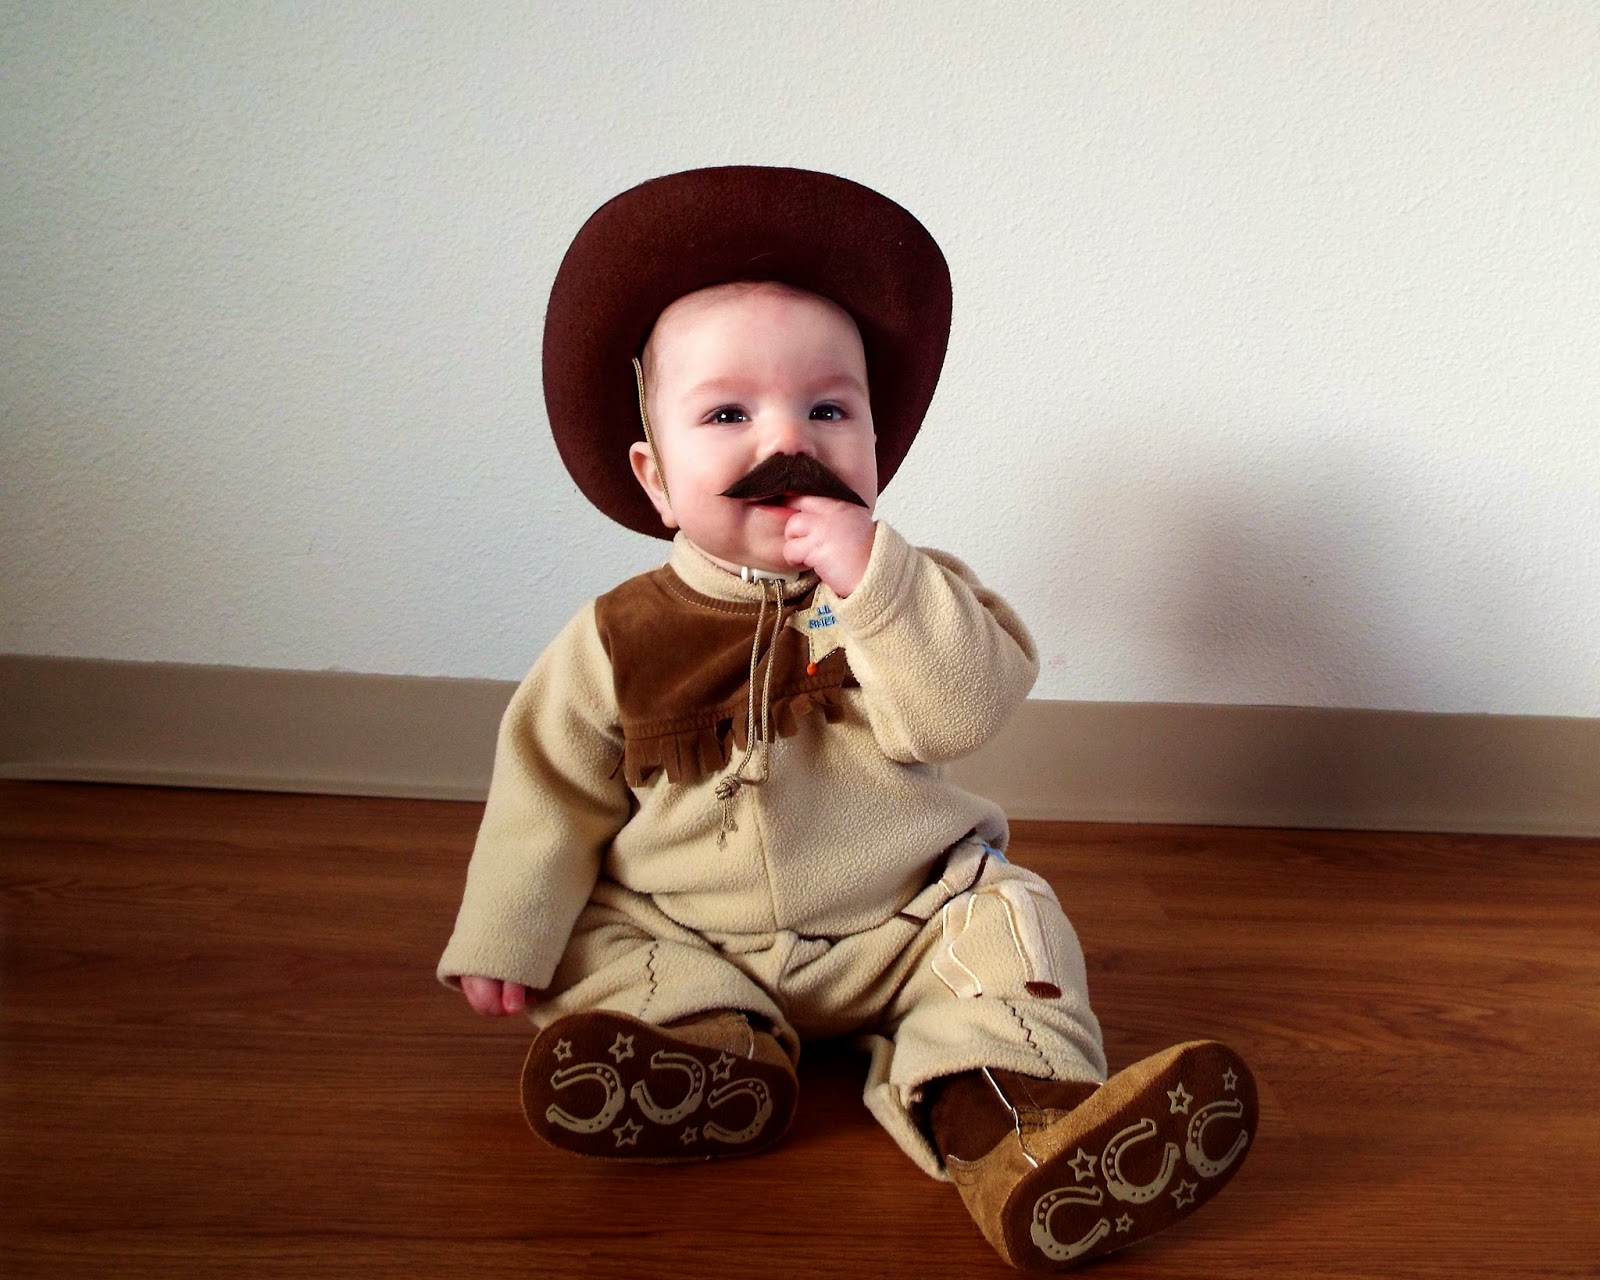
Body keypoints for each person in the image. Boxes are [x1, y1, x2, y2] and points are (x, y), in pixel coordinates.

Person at [438, 165, 1256, 1271]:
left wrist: (875, 583)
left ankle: (1019, 1123)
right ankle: (705, 1058)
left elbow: (955, 717)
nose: (791, 440)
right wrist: (505, 934)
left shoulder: (912, 590)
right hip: (689, 926)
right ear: (655, 477)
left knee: (1009, 922)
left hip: (901, 920)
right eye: (727, 413)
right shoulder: (614, 637)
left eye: (829, 410)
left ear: (875, 449)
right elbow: (546, 791)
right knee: (588, 940)